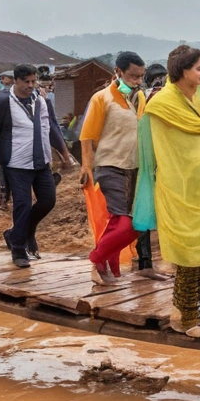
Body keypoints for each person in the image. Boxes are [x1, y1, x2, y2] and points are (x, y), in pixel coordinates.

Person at [134, 46, 200, 338]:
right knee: (187, 253)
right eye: (199, 68)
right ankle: (184, 317)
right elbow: (153, 150)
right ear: (183, 71)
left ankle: (185, 311)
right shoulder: (161, 104)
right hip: (178, 187)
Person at [0, 63, 75, 268]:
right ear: (16, 80)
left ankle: (19, 232)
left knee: (48, 200)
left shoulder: (42, 99)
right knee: (22, 203)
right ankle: (18, 248)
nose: (31, 85)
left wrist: (65, 154)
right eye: (27, 82)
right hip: (16, 162)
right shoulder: (4, 100)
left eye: (34, 81)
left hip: (41, 161)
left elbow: (52, 128)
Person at [78, 51, 148, 284]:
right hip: (109, 167)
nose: (137, 81)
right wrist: (86, 167)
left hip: (135, 169)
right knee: (125, 222)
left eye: (141, 76)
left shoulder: (139, 99)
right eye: (132, 76)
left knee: (138, 224)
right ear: (117, 72)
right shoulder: (102, 98)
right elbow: (87, 137)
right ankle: (96, 258)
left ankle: (103, 262)